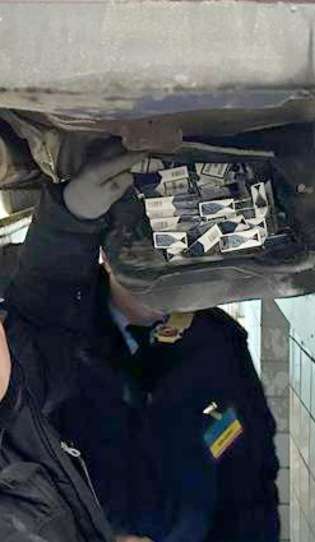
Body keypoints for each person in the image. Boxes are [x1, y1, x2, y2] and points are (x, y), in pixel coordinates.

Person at [0, 146, 280, 541]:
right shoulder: (61, 345)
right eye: (147, 251)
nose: (165, 269)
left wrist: (70, 219)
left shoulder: (220, 347)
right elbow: (39, 320)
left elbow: (250, 485)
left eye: (179, 249)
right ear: (108, 254)